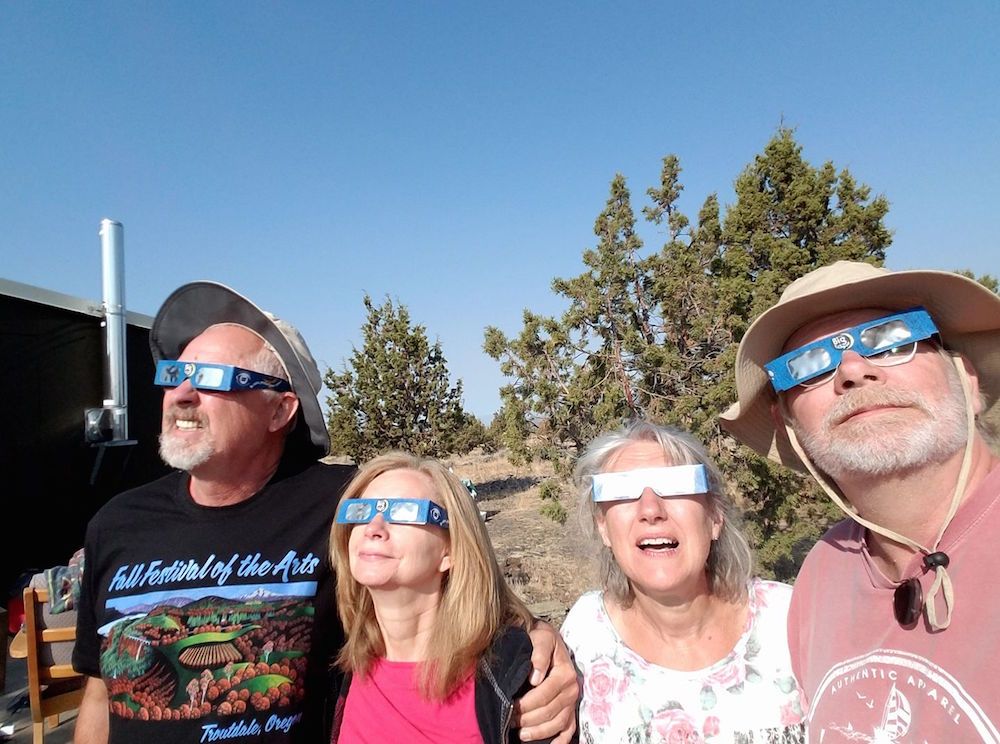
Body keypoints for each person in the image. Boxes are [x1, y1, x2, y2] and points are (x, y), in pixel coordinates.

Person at [73, 281, 578, 744]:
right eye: (175, 374)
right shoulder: (117, 522)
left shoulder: (346, 506)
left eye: (209, 377)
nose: (181, 393)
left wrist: (540, 643)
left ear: (280, 410)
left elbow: (464, 569)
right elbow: (100, 692)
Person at [719, 260, 1000, 740]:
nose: (852, 369)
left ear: (967, 380)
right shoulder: (821, 573)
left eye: (892, 338)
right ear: (792, 430)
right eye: (808, 365)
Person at [560, 420, 805, 743]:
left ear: (714, 517)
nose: (651, 510)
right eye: (621, 490)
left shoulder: (793, 620)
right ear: (604, 527)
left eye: (676, 485)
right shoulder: (583, 637)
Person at [328, 452, 552, 743]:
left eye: (404, 511)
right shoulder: (331, 663)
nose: (374, 528)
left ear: (451, 550)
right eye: (361, 511)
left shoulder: (515, 673)